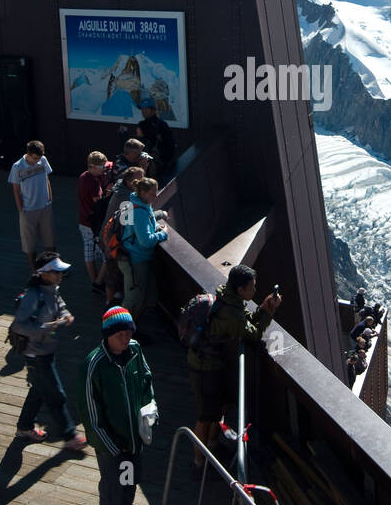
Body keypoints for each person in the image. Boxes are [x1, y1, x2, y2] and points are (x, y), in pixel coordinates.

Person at [185, 264, 281, 478]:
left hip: (212, 363)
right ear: (241, 290)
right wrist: (270, 311)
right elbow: (253, 333)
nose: (255, 290)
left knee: (215, 410)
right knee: (205, 415)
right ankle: (198, 464)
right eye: (252, 287)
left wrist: (264, 308)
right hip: (205, 367)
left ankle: (210, 447)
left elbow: (245, 323)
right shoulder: (231, 312)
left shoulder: (229, 300)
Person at [81, 306, 155, 505]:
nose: (126, 338)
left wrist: (152, 412)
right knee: (113, 496)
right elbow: (91, 417)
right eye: (120, 334)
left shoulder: (135, 350)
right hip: (113, 450)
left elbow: (146, 382)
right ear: (107, 335)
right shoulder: (94, 365)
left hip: (134, 444)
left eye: (129, 332)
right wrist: (114, 449)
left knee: (128, 490)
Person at [10, 254, 88, 450]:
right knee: (56, 394)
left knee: (37, 391)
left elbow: (60, 306)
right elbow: (18, 325)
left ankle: (24, 428)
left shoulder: (52, 290)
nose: (61, 274)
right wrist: (46, 327)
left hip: (45, 351)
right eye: (56, 271)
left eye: (61, 271)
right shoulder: (33, 296)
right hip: (36, 354)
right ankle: (70, 435)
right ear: (44, 274)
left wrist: (66, 315)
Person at [120, 177, 168, 334]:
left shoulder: (134, 203)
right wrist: (163, 234)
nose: (156, 196)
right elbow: (146, 241)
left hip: (130, 254)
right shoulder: (140, 211)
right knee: (134, 300)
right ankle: (124, 331)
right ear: (143, 192)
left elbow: (136, 228)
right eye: (153, 194)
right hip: (137, 259)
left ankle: (130, 330)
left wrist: (154, 227)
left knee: (141, 297)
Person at [99, 165, 144, 306]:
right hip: (113, 241)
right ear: (130, 182)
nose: (142, 182)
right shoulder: (125, 198)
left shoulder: (122, 189)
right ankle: (109, 303)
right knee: (112, 272)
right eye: (140, 180)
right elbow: (128, 223)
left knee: (116, 272)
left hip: (112, 238)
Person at [8, 140, 55, 274]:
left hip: (45, 206)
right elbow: (16, 189)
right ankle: (34, 269)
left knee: (49, 238)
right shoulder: (17, 167)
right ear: (28, 154)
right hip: (28, 209)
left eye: (39, 158)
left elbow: (47, 178)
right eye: (35, 158)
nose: (37, 160)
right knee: (29, 241)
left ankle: (52, 266)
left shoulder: (43, 160)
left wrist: (50, 197)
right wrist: (20, 209)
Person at [77, 151, 108, 293]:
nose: (103, 169)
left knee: (89, 250)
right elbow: (98, 201)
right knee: (104, 253)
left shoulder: (83, 176)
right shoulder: (93, 182)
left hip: (84, 220)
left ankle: (94, 280)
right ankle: (97, 281)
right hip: (92, 223)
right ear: (91, 166)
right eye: (101, 167)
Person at [136, 98, 176, 177]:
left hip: (155, 162)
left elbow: (169, 144)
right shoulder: (162, 124)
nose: (144, 111)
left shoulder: (160, 125)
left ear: (153, 110)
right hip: (154, 162)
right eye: (142, 109)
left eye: (146, 109)